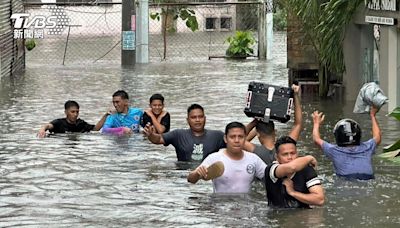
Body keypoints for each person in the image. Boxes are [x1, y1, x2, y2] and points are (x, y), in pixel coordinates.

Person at [187, 122, 267, 193]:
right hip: (221, 205)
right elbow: (191, 180)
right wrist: (197, 174)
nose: (236, 140)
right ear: (225, 138)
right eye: (232, 137)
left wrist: (275, 168)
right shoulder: (214, 158)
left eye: (240, 137)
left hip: (245, 206)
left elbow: (270, 177)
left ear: (245, 138)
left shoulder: (253, 159)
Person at [312, 106, 381, 180]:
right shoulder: (367, 148)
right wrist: (372, 115)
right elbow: (377, 136)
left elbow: (316, 139)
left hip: (346, 179)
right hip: (368, 178)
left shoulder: (334, 150)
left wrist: (316, 123)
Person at [143, 104, 225, 162]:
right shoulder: (178, 135)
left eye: (200, 117)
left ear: (205, 118)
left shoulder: (217, 136)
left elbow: (234, 147)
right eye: (193, 117)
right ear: (188, 120)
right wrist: (151, 135)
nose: (197, 120)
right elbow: (158, 139)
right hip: (183, 177)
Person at [244, 84, 302, 164]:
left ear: (258, 134)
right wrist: (295, 95)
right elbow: (298, 124)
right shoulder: (286, 148)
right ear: (275, 131)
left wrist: (255, 122)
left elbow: (239, 138)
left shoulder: (255, 150)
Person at [264, 136, 325, 208]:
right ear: (277, 157)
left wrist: (293, 193)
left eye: (293, 153)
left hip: (303, 215)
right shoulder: (271, 169)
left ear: (297, 154)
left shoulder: (306, 169)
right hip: (278, 215)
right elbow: (291, 167)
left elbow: (320, 200)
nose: (290, 157)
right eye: (285, 154)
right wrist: (309, 158)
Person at [38, 100, 109, 138]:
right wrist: (42, 129)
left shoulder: (81, 123)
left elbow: (96, 128)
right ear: (66, 112)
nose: (75, 114)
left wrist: (106, 115)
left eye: (77, 112)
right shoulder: (59, 123)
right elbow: (48, 126)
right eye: (72, 112)